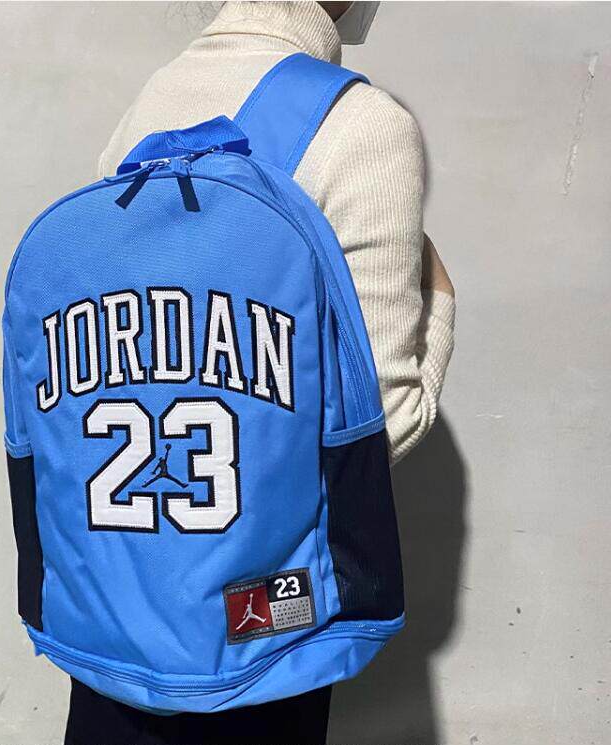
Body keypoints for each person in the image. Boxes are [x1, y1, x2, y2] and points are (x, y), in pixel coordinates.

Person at [66, 2, 456, 743]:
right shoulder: (365, 126)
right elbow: (381, 427)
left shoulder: (149, 104)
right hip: (254, 636)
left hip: (116, 628)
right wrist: (441, 304)